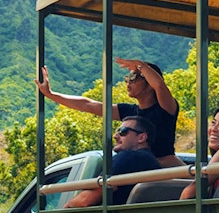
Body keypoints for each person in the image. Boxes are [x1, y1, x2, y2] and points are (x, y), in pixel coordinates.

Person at [35, 58, 182, 167]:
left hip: (167, 170)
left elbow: (160, 86)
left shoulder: (165, 108)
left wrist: (140, 65)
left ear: (149, 83)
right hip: (143, 171)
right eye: (127, 78)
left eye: (133, 77)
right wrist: (51, 94)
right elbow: (88, 105)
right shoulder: (129, 112)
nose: (128, 82)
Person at [66, 116, 162, 207]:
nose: (115, 136)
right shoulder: (153, 164)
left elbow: (85, 200)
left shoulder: (127, 157)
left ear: (141, 137)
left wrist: (68, 206)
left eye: (123, 131)